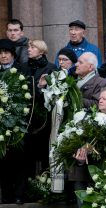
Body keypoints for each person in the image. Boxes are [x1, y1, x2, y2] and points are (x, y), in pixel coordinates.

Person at [22, 39, 57, 178]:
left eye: (33, 47)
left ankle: (45, 184)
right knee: (27, 153)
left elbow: (53, 93)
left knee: (44, 153)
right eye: (28, 47)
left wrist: (41, 87)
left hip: (43, 118)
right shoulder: (24, 67)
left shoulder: (51, 68)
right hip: (26, 116)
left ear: (41, 51)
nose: (29, 49)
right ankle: (29, 186)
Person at [0, 39, 26, 204]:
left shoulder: (22, 70)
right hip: (1, 125)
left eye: (6, 53)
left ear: (13, 55)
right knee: (2, 161)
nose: (3, 56)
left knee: (19, 161)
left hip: (18, 125)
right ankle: (6, 195)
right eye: (0, 53)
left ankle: (20, 194)